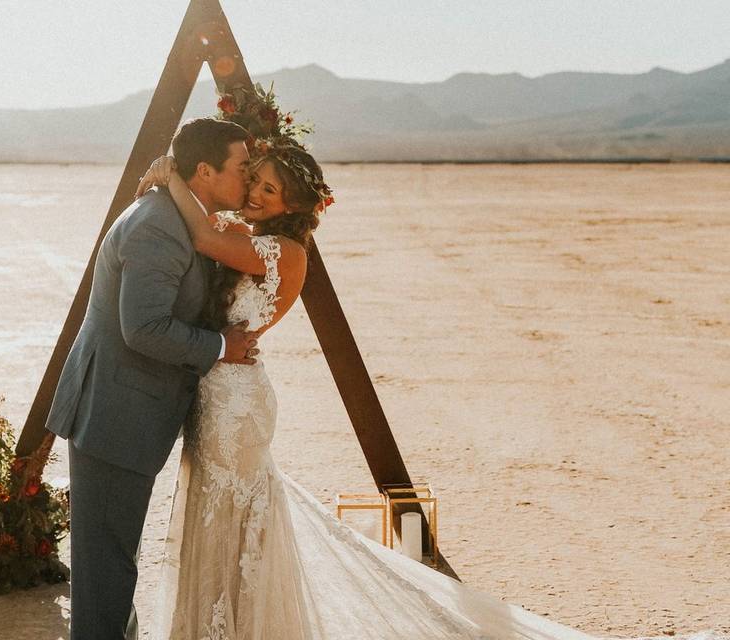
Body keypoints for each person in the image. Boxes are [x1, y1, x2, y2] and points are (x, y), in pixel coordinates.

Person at [133, 143, 725, 640]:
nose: (257, 195)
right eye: (254, 182)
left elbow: (206, 239)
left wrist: (170, 177)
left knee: (237, 515)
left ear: (293, 205)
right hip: (220, 392)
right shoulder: (253, 235)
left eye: (270, 189)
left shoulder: (282, 251)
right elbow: (213, 236)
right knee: (225, 514)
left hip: (237, 404)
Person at [43, 117, 264, 640]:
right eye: (242, 168)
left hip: (126, 412)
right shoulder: (157, 225)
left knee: (114, 563)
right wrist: (219, 347)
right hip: (114, 414)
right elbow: (142, 328)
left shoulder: (181, 216)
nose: (249, 179)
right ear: (205, 172)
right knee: (106, 571)